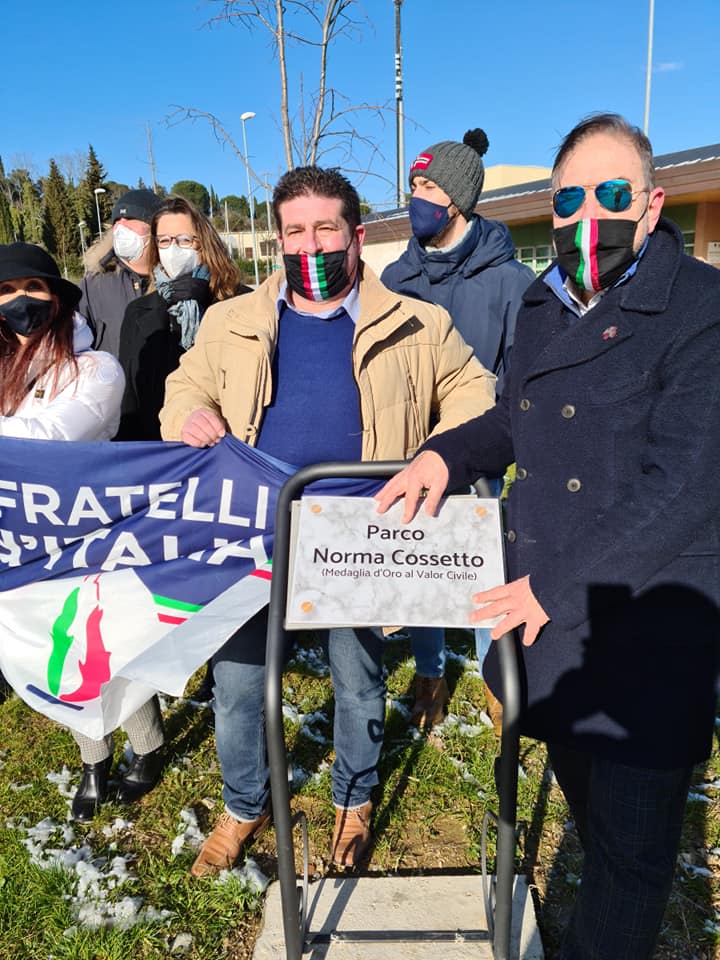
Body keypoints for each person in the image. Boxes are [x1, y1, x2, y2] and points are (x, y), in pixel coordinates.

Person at [376, 114, 720, 960]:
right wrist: (441, 456)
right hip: (552, 615)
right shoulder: (544, 301)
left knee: (633, 860)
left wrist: (549, 587)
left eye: (611, 194)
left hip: (644, 615)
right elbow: (513, 416)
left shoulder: (702, 311)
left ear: (650, 204)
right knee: (587, 799)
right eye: (570, 197)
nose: (587, 213)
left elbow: (680, 487)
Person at [159, 166, 496, 875]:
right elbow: (184, 384)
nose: (308, 242)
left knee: (359, 679)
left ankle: (354, 798)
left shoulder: (417, 321)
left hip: (360, 536)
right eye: (293, 230)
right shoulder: (231, 320)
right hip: (252, 530)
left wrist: (442, 453)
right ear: (276, 238)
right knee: (240, 684)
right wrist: (187, 413)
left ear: (356, 235)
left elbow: (474, 393)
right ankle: (243, 804)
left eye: (324, 228)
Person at [0, 242, 166, 821]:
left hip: (90, 534)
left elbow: (50, 438)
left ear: (57, 296)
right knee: (55, 651)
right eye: (6, 293)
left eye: (33, 288)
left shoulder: (95, 369)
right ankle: (93, 759)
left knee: (105, 647)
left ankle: (146, 746)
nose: (21, 302)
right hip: (23, 541)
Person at [382, 128, 535, 729]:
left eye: (426, 186)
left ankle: (493, 671)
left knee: (479, 562)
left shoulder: (510, 284)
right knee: (419, 564)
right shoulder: (396, 280)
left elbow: (520, 376)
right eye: (412, 185)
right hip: (409, 451)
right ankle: (429, 668)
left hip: (478, 456)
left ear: (458, 199)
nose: (415, 197)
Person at [116, 195, 249, 440]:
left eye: (184, 239)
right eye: (165, 241)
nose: (173, 248)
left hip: (223, 452)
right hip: (158, 457)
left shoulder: (242, 304)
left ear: (204, 243)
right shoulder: (139, 311)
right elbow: (129, 402)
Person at [79, 188, 163, 358]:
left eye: (131, 218)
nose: (120, 226)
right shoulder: (93, 285)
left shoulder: (175, 280)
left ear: (155, 229)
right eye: (117, 220)